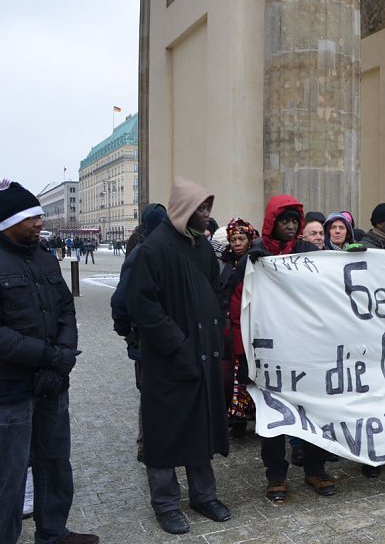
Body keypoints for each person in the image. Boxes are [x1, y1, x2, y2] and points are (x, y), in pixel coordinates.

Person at [0, 178, 98, 544]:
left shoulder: (44, 258)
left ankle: (53, 533)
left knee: (55, 466)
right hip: (8, 393)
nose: (39, 222)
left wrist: (62, 360)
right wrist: (50, 357)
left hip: (52, 386)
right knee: (10, 476)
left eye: (39, 215)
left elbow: (65, 310)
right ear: (8, 222)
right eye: (30, 217)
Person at [126, 178, 230, 535]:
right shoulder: (153, 249)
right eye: (201, 208)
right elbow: (142, 306)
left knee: (199, 427)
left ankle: (204, 495)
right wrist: (177, 344)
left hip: (202, 355)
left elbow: (214, 290)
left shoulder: (201, 248)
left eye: (208, 208)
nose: (206, 215)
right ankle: (166, 503)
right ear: (185, 209)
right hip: (169, 360)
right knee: (166, 433)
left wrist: (217, 331)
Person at [227, 195, 335, 502]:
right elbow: (237, 309)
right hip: (268, 354)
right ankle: (276, 475)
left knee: (313, 414)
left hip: (307, 353)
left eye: (293, 221)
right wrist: (242, 354)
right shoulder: (254, 258)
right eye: (284, 221)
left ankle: (316, 469)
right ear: (272, 224)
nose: (289, 226)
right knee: (273, 419)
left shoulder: (310, 254)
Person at [110, 203, 168, 463]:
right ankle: (149, 445)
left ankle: (153, 443)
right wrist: (127, 332)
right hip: (148, 338)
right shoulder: (144, 255)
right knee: (152, 394)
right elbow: (121, 301)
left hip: (149, 337)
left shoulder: (146, 250)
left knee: (152, 394)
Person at [216, 218, 259, 439]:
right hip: (227, 324)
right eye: (233, 239)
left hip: (249, 321)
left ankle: (251, 415)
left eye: (241, 238)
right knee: (231, 372)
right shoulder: (225, 262)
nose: (237, 243)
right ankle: (236, 417)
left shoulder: (256, 261)